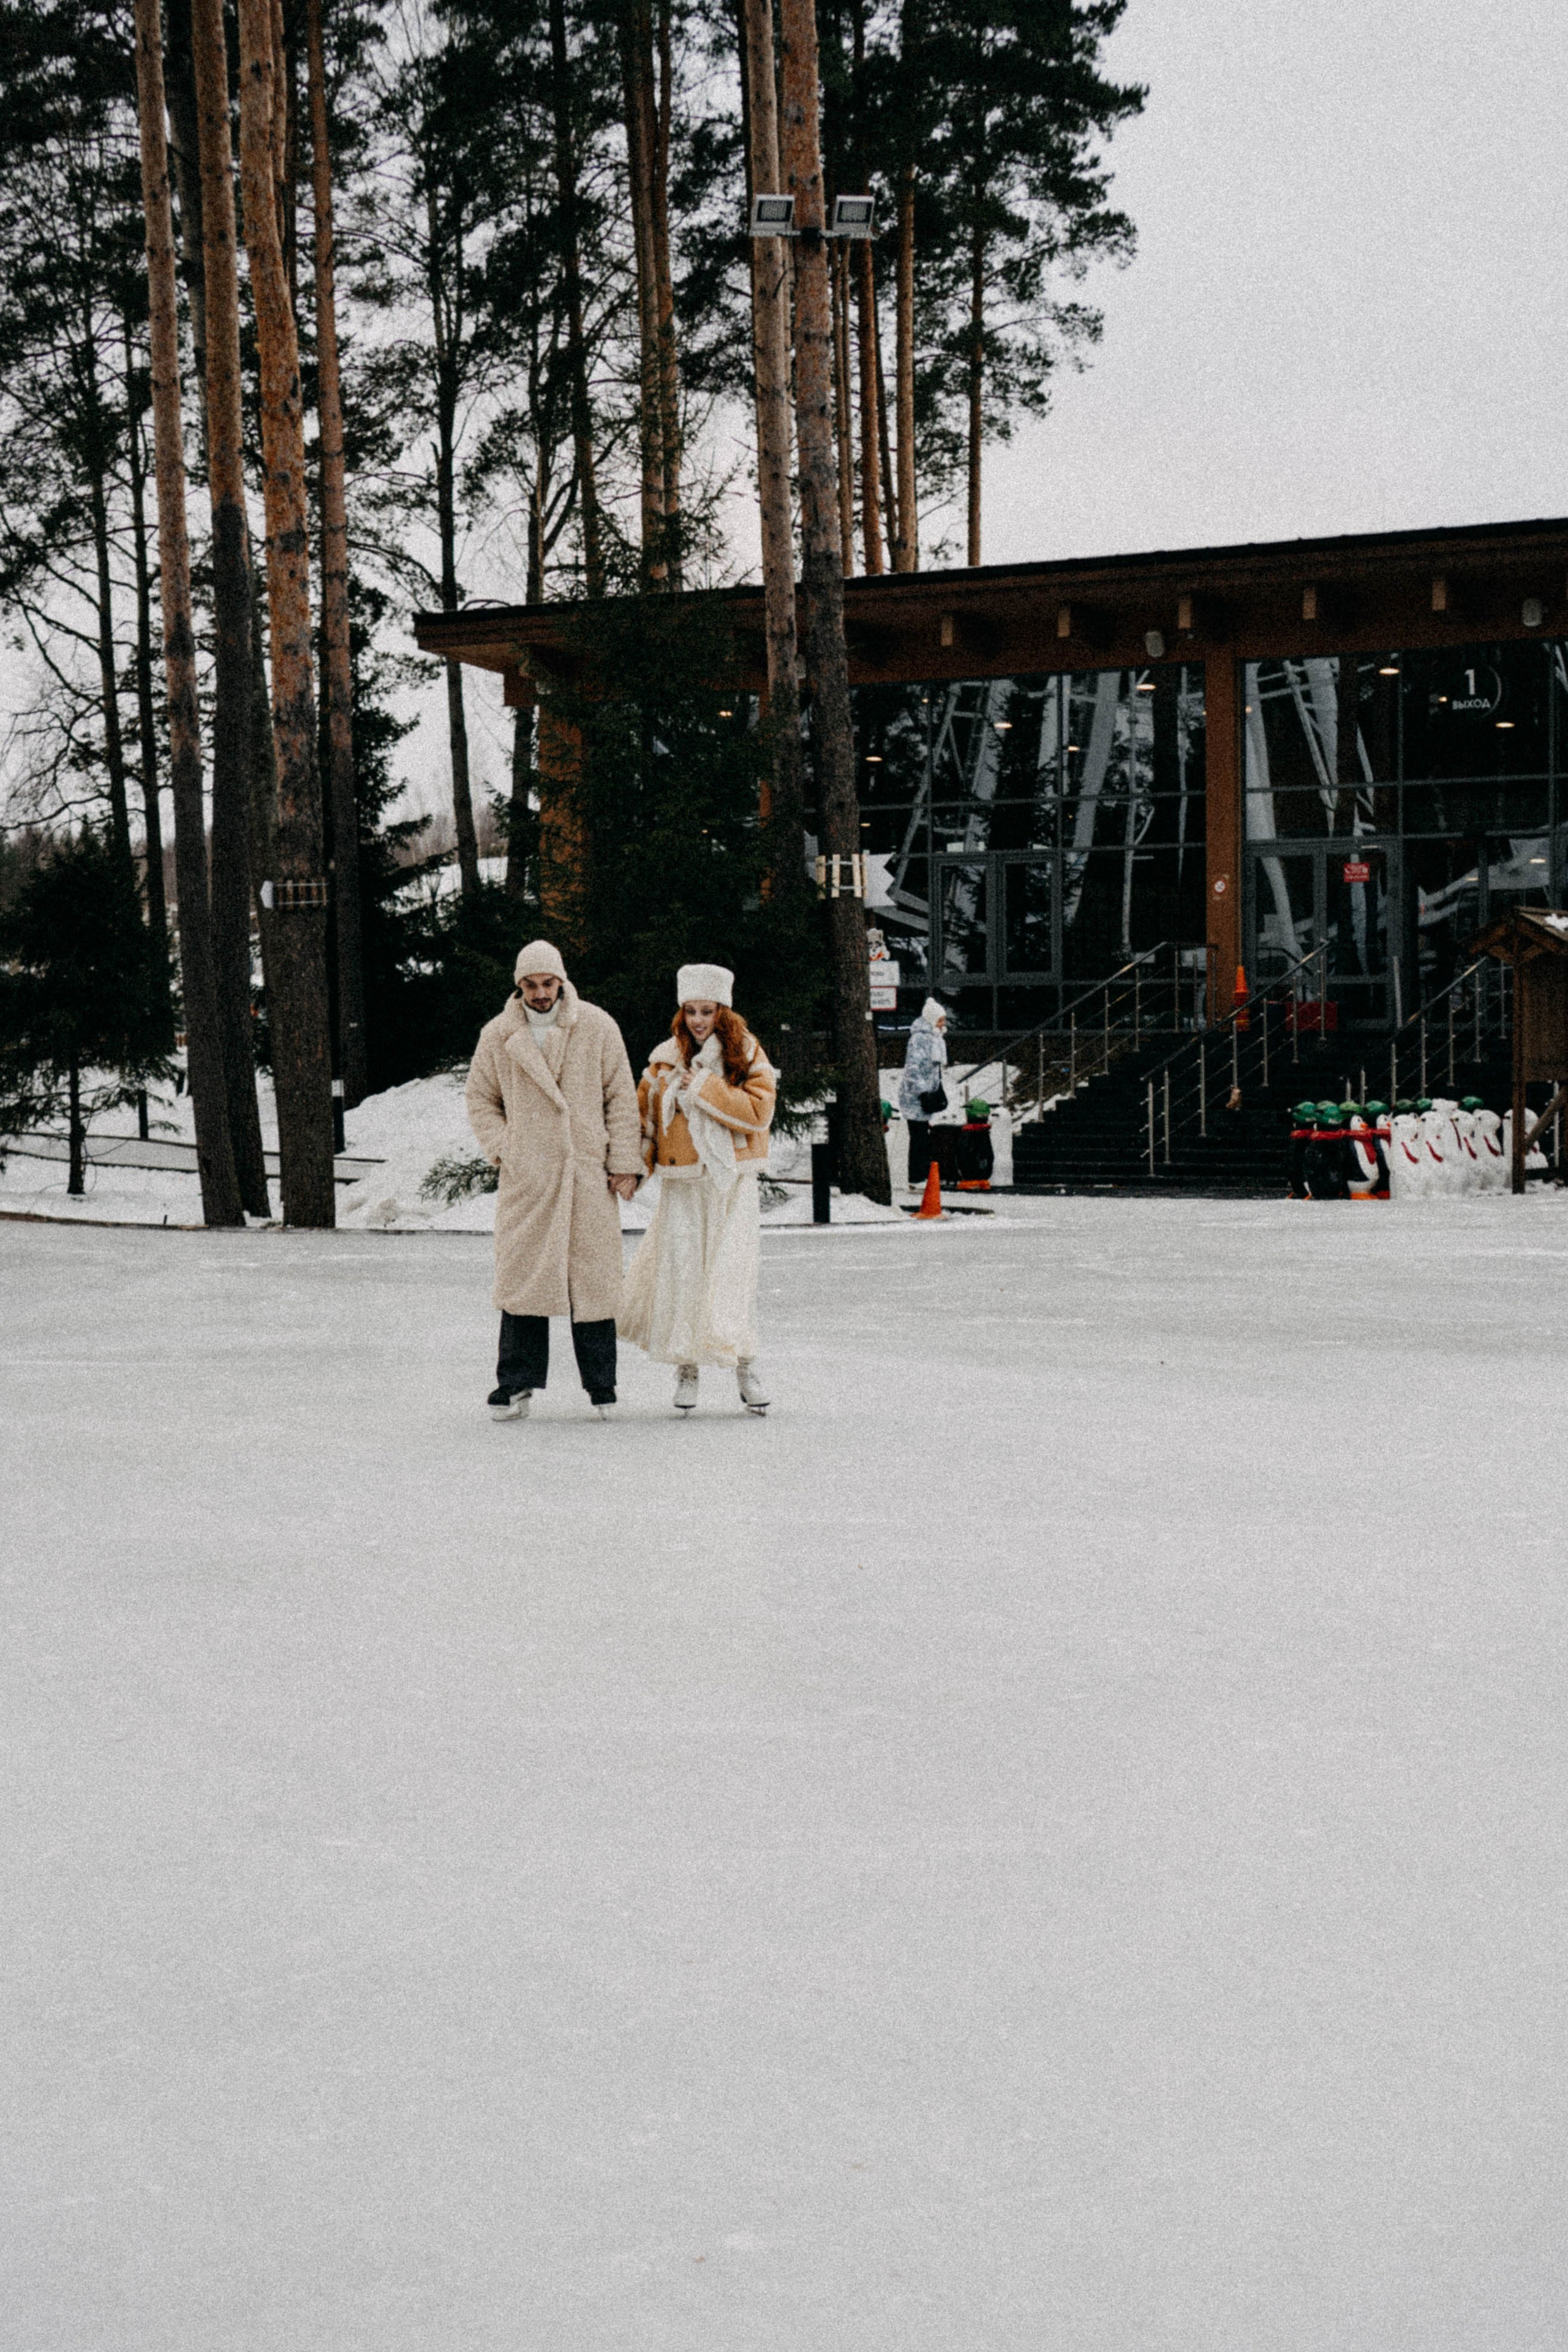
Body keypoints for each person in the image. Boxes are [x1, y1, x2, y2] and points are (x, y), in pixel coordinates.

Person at [465, 941, 643, 1422]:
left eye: (548, 984)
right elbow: (481, 1098)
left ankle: (602, 1385)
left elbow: (621, 1099)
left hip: (587, 1174)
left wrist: (623, 1161)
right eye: (530, 985)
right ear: (518, 986)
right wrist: (508, 1147)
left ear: (562, 981)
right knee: (525, 1281)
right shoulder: (498, 1035)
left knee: (594, 1284)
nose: (541, 994)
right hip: (531, 1177)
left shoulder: (598, 1026)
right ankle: (515, 1383)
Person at [619, 962, 776, 1415]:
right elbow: (645, 1122)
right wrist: (633, 1170)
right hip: (683, 1183)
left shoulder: (746, 1053)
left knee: (733, 1273)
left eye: (707, 1010)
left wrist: (706, 1087)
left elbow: (759, 1112)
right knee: (684, 1274)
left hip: (731, 1182)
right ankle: (687, 1368)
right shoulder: (665, 1058)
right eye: (691, 1010)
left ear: (723, 1011)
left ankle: (745, 1365)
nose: (698, 1020)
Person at [898, 997, 949, 1191]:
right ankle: (917, 1176)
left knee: (922, 1136)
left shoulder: (934, 1038)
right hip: (916, 1096)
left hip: (925, 1094)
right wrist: (923, 1091)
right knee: (919, 1137)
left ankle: (920, 1175)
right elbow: (913, 1068)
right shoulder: (920, 1039)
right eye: (940, 1020)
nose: (943, 1024)